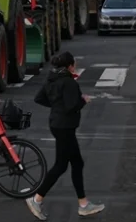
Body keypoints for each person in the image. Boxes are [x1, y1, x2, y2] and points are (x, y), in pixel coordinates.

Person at [25, 51, 104, 219]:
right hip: (65, 126)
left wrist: (56, 105)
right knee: (61, 165)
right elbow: (71, 106)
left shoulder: (51, 78)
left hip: (57, 124)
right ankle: (37, 199)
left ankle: (83, 203)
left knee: (77, 163)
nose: (75, 66)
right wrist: (83, 100)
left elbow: (39, 98)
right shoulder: (68, 82)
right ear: (69, 66)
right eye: (74, 64)